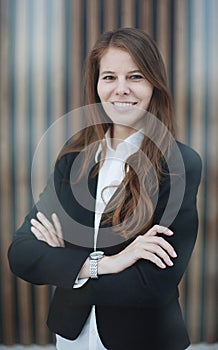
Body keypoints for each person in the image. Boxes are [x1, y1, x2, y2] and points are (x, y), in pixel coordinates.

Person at [8, 28, 202, 350]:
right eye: (109, 77)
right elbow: (21, 253)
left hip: (143, 340)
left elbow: (154, 283)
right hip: (70, 336)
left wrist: (66, 262)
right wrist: (109, 263)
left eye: (135, 76)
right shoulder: (74, 159)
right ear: (96, 85)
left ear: (154, 85)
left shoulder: (179, 164)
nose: (121, 89)